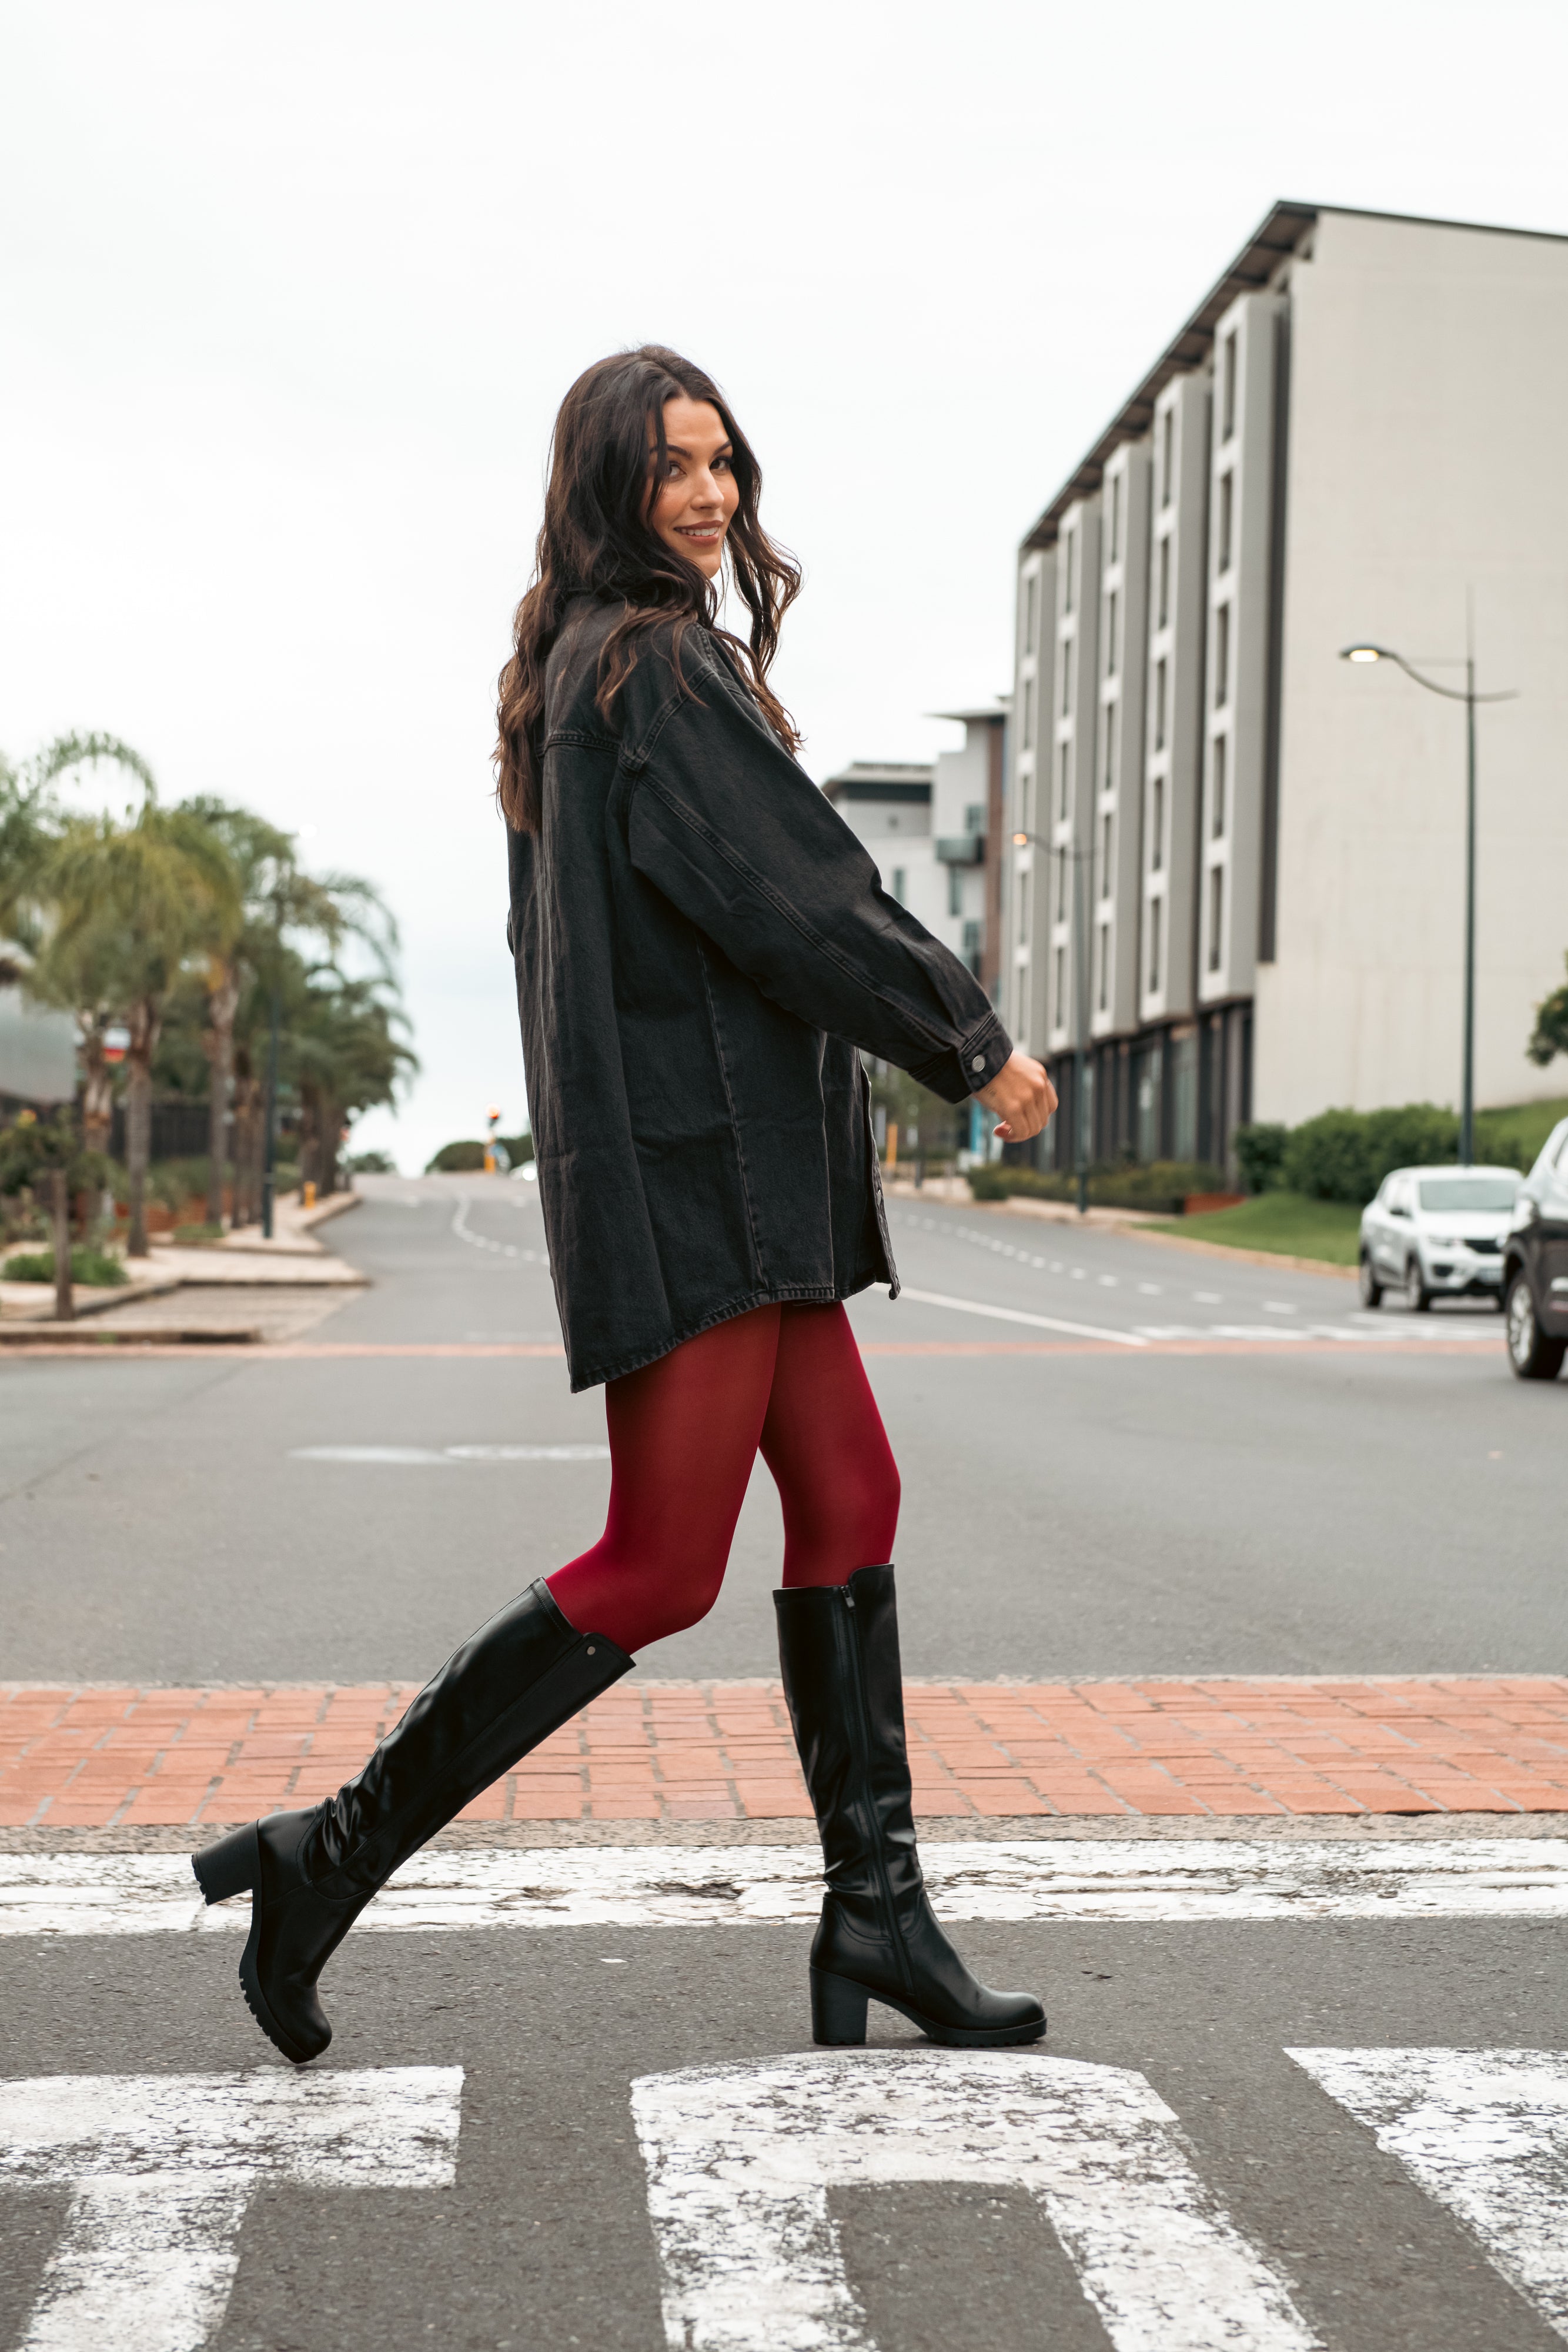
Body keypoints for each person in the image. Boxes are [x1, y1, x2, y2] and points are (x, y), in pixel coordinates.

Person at [192, 346, 1057, 2064]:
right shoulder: (652, 666)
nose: (711, 493)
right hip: (705, 1174)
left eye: (723, 461)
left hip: (726, 1171)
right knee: (657, 1565)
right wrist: (967, 1042)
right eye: (672, 466)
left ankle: (877, 1914)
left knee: (852, 1492)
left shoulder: (587, 666)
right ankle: (324, 1858)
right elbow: (799, 894)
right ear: (608, 485)